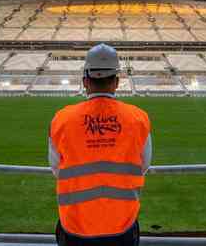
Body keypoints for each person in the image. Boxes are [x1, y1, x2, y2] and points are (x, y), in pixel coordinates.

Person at [48, 43, 152, 246]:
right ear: (117, 81)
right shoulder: (138, 118)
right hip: (122, 224)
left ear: (85, 81)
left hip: (75, 225)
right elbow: (144, 165)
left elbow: (56, 168)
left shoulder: (61, 119)